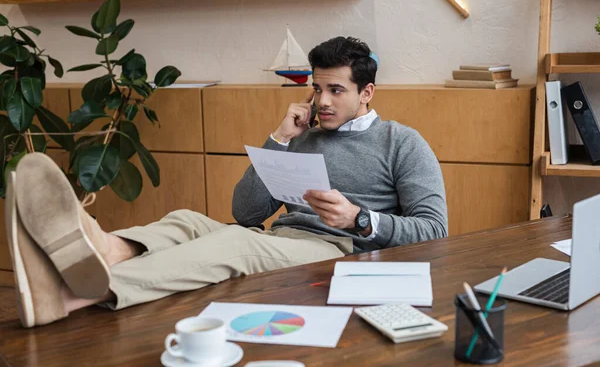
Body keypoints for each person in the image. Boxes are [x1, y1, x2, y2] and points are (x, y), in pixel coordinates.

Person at [5, 37, 448, 328]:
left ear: (367, 92)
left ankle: (66, 297)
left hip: (338, 251)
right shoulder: (303, 132)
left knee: (236, 246)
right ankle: (106, 248)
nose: (322, 101)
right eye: (318, 89)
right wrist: (278, 140)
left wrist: (360, 219)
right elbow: (246, 213)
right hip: (282, 237)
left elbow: (435, 230)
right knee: (188, 221)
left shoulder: (402, 143)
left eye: (336, 90)